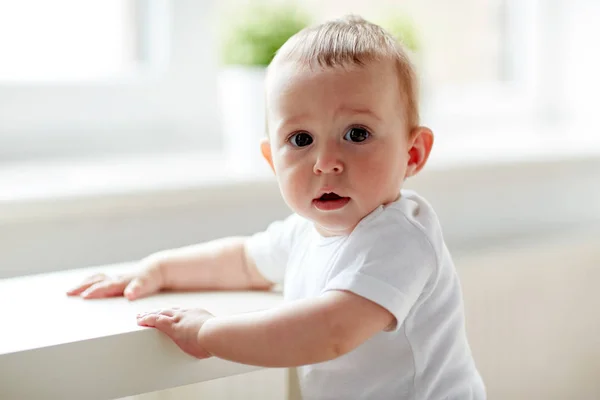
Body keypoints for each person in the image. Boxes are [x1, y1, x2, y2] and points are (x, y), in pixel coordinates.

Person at [67, 15, 486, 400]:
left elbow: (330, 331)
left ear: (412, 154)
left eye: (356, 134)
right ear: (273, 161)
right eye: (301, 140)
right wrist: (158, 269)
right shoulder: (306, 232)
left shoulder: (401, 238)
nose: (325, 162)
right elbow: (242, 261)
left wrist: (207, 332)